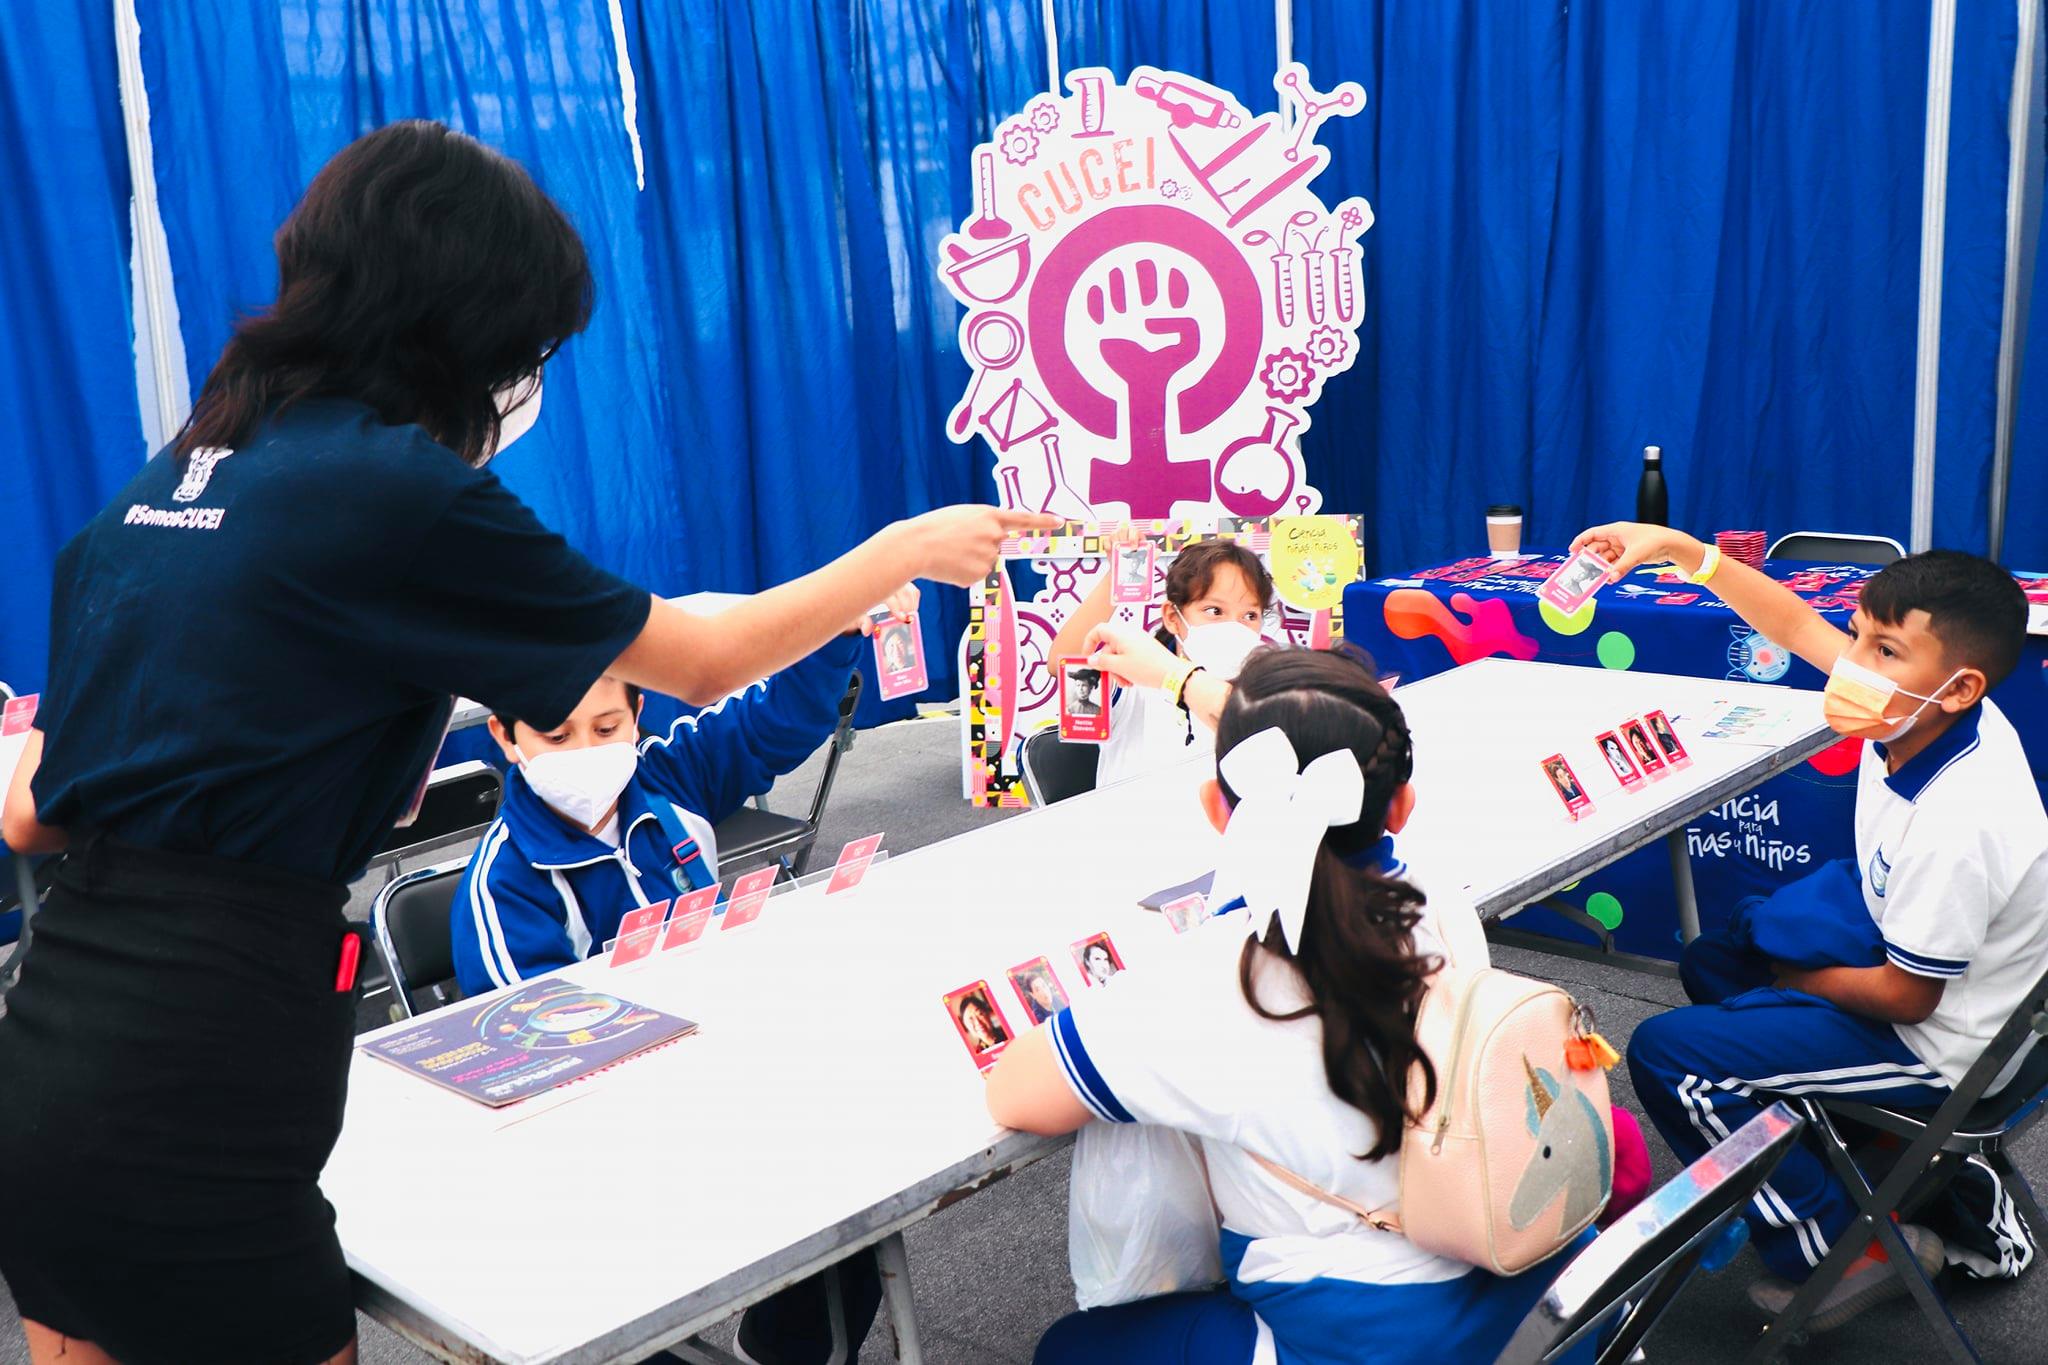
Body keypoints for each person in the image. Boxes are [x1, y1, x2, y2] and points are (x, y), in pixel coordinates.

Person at [0, 120, 1055, 1365]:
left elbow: (31, 812)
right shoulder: (394, 491)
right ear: (463, 328)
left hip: (53, 1046)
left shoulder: (166, 487)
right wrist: (901, 551)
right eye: (529, 349)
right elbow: (701, 662)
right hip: (211, 1056)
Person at [983, 647, 1575, 1364]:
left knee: (1073, 1349)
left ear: (1215, 808)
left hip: (1366, 1336)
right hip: (1534, 1274)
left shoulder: (1209, 978)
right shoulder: (1438, 902)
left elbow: (1017, 1092)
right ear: (1402, 804)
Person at [1574, 524, 2048, 1330]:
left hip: (1940, 1046)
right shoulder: (1916, 705)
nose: (1852, 661)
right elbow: (1795, 622)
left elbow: (1909, 999)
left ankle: (1836, 1248)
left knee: (1668, 1055)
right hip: (1922, 959)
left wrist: (1796, 978)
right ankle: (1875, 1160)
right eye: (1858, 633)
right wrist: (1678, 548)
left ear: (1960, 686)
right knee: (1716, 957)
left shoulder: (1960, 818)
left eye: (1884, 649)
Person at [1049, 534, 1274, 786]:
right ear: (1172, 617)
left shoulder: (1268, 694)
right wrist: (1116, 576)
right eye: (1214, 611)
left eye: (1250, 615)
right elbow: (1063, 662)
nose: (1234, 627)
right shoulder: (1133, 683)